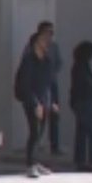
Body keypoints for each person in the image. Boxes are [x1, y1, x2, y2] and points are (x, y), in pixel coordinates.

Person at [14, 28, 58, 177]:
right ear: (35, 43)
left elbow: (50, 82)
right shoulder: (28, 60)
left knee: (40, 134)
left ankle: (36, 162)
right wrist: (35, 104)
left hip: (45, 100)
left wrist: (53, 101)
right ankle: (30, 165)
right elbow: (25, 84)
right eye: (43, 40)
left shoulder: (47, 60)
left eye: (48, 40)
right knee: (34, 132)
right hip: (32, 100)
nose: (47, 43)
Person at [22, 21, 64, 156]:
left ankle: (54, 146)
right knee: (36, 127)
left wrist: (54, 100)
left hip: (50, 85)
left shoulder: (53, 48)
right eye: (47, 32)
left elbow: (58, 64)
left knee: (53, 115)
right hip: (35, 90)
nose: (49, 36)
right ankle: (32, 158)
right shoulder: (30, 52)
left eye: (52, 33)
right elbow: (26, 76)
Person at [70, 41, 92, 173]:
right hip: (85, 101)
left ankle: (80, 160)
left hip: (79, 101)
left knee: (82, 132)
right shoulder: (81, 67)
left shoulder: (78, 66)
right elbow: (87, 83)